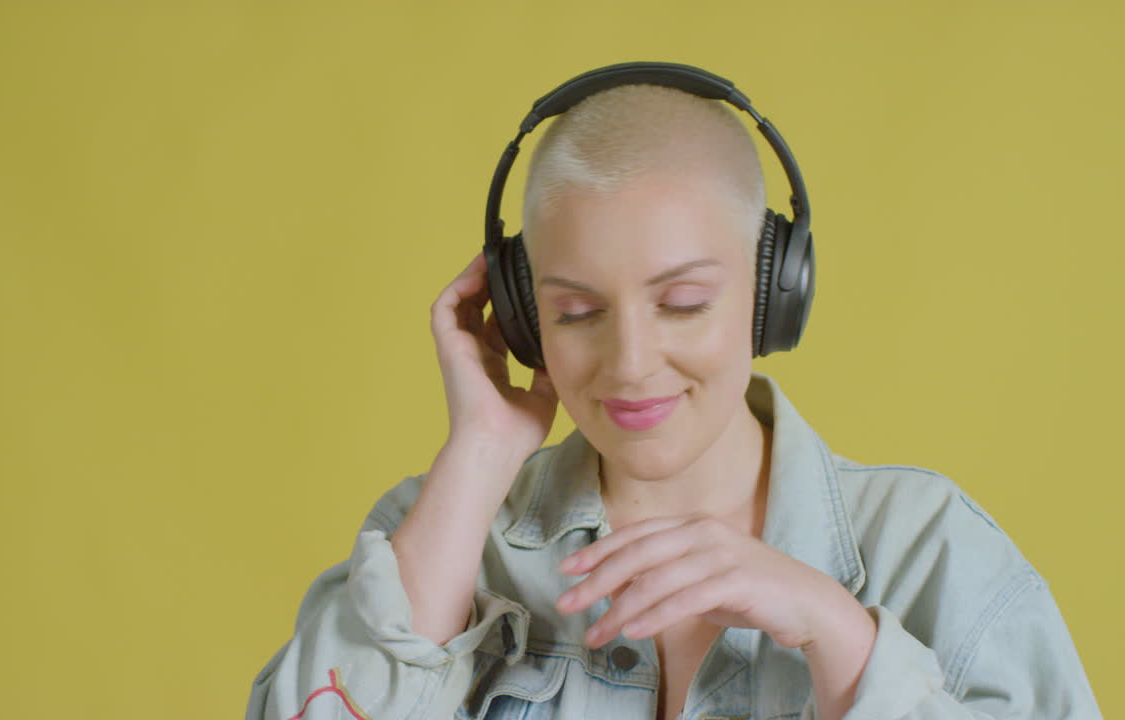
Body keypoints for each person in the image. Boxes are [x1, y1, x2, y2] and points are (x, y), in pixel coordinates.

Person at [246, 66, 1101, 720]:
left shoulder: (934, 554)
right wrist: (479, 453)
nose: (629, 362)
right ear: (520, 309)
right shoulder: (446, 542)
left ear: (773, 295)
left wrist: (840, 638)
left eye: (684, 303)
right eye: (576, 312)